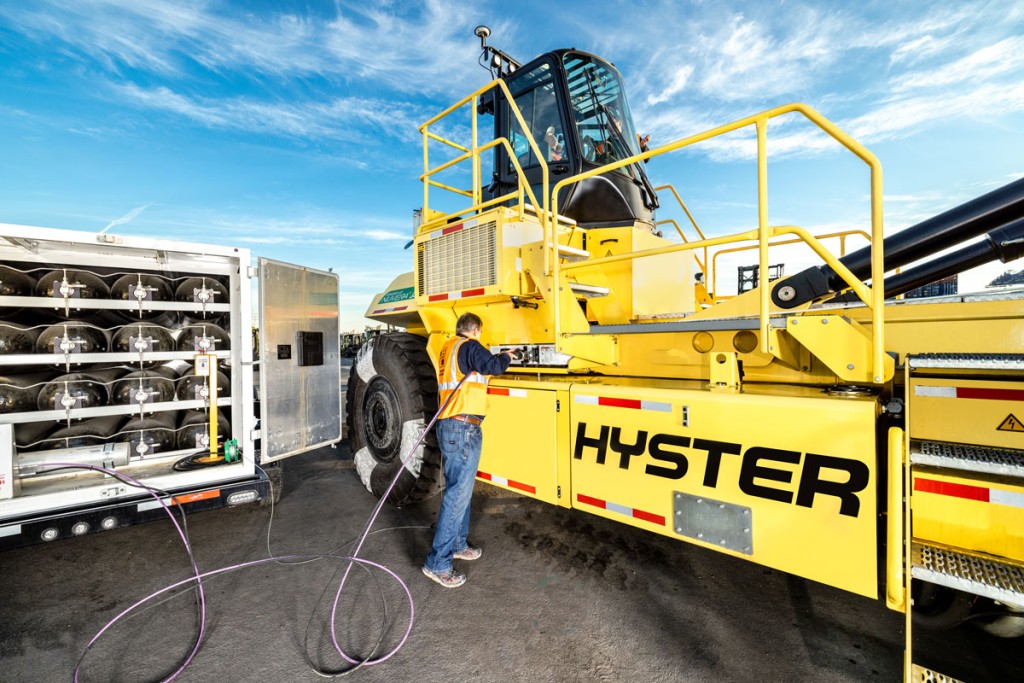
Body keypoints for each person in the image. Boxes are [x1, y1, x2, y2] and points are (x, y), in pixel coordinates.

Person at [422, 312, 518, 588]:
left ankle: (457, 544)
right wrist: (508, 356)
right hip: (462, 428)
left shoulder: (448, 348)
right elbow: (492, 366)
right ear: (475, 330)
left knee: (459, 491)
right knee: (457, 495)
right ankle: (437, 563)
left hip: (455, 426)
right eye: (480, 332)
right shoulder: (469, 346)